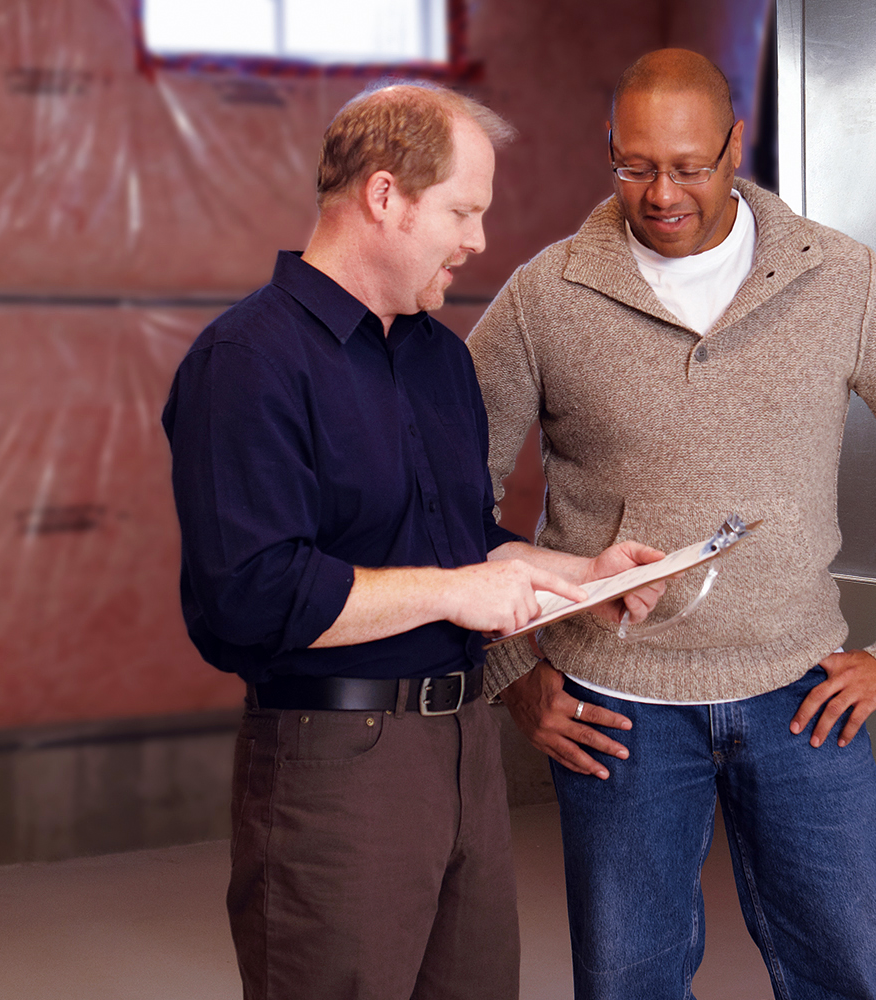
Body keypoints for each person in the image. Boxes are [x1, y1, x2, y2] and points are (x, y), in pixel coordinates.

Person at [467, 50, 876, 1000]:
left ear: (735, 147)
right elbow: (450, 490)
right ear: (611, 151)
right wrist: (512, 672)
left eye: (689, 166)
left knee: (854, 978)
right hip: (614, 709)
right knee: (630, 985)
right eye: (635, 166)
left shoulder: (838, 277)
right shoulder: (547, 297)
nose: (661, 193)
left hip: (800, 696)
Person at [162, 82, 663, 1000]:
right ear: (384, 196)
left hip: (464, 751)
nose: (478, 240)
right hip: (333, 761)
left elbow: (466, 545)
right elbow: (252, 596)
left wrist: (581, 572)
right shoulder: (247, 364)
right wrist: (449, 592)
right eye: (464, 211)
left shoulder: (436, 357)